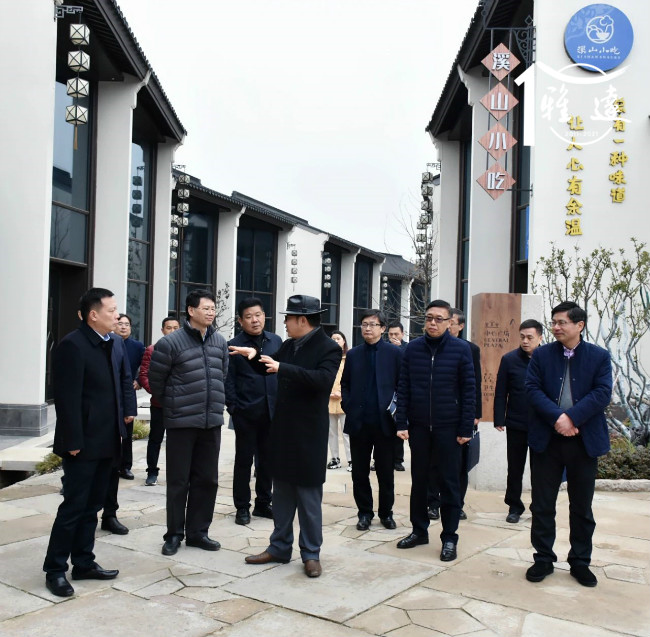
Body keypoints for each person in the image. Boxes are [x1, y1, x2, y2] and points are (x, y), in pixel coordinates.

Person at [230, 295, 341, 578]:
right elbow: (270, 366)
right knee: (281, 496)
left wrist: (284, 368)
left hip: (309, 435)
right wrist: (253, 356)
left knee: (308, 499)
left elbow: (322, 381)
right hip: (282, 430)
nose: (285, 323)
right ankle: (279, 547)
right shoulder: (289, 345)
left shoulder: (328, 347)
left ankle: (311, 554)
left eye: (288, 318)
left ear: (302, 320)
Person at [43, 288, 136, 597]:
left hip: (108, 439)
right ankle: (55, 569)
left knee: (94, 506)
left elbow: (119, 384)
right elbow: (66, 398)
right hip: (82, 443)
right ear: (93, 315)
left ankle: (83, 563)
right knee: (74, 506)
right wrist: (72, 440)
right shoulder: (73, 345)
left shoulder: (112, 343)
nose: (117, 316)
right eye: (112, 310)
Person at [525, 302, 612, 588]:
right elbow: (532, 389)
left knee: (582, 506)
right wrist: (558, 418)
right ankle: (543, 558)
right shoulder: (541, 355)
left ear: (579, 325)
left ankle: (580, 561)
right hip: (547, 440)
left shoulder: (599, 356)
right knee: (542, 504)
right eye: (554, 322)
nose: (556, 327)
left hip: (583, 441)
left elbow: (602, 393)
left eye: (562, 322)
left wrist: (572, 417)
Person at [149, 290, 229, 557]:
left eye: (213, 308)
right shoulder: (170, 343)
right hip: (181, 422)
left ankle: (198, 532)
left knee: (207, 479)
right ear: (191, 311)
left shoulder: (219, 341)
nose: (211, 312)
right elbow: (157, 382)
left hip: (211, 421)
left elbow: (223, 375)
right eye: (206, 308)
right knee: (178, 481)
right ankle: (174, 534)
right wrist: (174, 405)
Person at [395, 299, 475, 562]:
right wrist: (402, 422)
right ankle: (419, 531)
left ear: (450, 322)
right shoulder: (413, 349)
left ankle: (449, 537)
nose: (432, 323)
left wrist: (466, 427)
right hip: (419, 426)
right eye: (429, 318)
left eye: (439, 319)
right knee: (419, 482)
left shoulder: (461, 349)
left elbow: (469, 390)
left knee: (449, 483)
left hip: (449, 428)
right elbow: (403, 387)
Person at [342, 310, 402, 531]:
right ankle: (364, 513)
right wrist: (347, 405)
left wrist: (398, 413)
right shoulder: (354, 354)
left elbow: (402, 384)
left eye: (373, 324)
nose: (367, 328)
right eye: (364, 324)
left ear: (383, 328)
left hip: (385, 422)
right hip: (359, 421)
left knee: (386, 473)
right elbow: (345, 383)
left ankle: (386, 513)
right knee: (360, 473)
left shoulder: (394, 353)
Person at [226, 297, 282, 525]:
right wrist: (233, 407)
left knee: (267, 461)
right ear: (240, 321)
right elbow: (228, 380)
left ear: (264, 316)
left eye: (258, 315)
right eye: (248, 317)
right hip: (246, 413)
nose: (254, 320)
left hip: (272, 411)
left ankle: (263, 503)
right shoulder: (234, 345)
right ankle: (242, 507)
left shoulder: (275, 341)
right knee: (243, 461)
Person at [427, 308, 482, 521]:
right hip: (436, 416)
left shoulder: (469, 349)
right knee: (433, 463)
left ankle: (457, 504)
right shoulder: (429, 347)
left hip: (460, 415)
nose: (446, 326)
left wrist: (475, 414)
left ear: (459, 326)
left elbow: (474, 383)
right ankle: (433, 503)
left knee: (459, 465)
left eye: (451, 322)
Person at [493, 319, 543, 523]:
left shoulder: (547, 358)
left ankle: (539, 506)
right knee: (515, 468)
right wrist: (499, 418)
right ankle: (514, 506)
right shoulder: (509, 359)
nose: (525, 341)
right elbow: (501, 391)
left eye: (530, 337)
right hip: (516, 422)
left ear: (540, 338)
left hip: (542, 424)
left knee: (540, 469)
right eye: (522, 337)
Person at [138, 316, 181, 486]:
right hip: (159, 403)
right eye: (169, 328)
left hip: (179, 404)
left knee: (177, 441)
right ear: (162, 330)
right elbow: (144, 375)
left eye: (176, 328)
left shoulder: (185, 349)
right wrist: (158, 392)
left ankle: (176, 473)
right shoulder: (152, 349)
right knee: (155, 439)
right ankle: (152, 472)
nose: (172, 331)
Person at [115, 313, 145, 480]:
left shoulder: (137, 346)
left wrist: (139, 380)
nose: (123, 327)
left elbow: (148, 365)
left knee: (127, 432)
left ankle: (125, 467)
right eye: (120, 324)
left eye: (127, 324)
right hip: (111, 393)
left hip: (128, 393)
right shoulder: (109, 343)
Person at [327, 330, 351, 471]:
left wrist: (341, 393)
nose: (335, 341)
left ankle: (351, 459)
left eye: (338, 338)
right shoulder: (326, 359)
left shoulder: (349, 359)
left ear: (344, 341)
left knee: (347, 432)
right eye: (333, 338)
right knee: (331, 433)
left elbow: (352, 379)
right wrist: (329, 392)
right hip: (329, 400)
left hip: (344, 401)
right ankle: (335, 458)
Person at [387, 321, 408, 472]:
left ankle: (398, 460)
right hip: (386, 391)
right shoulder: (383, 347)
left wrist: (399, 348)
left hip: (401, 392)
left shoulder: (408, 348)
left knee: (398, 426)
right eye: (391, 334)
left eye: (396, 334)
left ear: (402, 334)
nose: (393, 337)